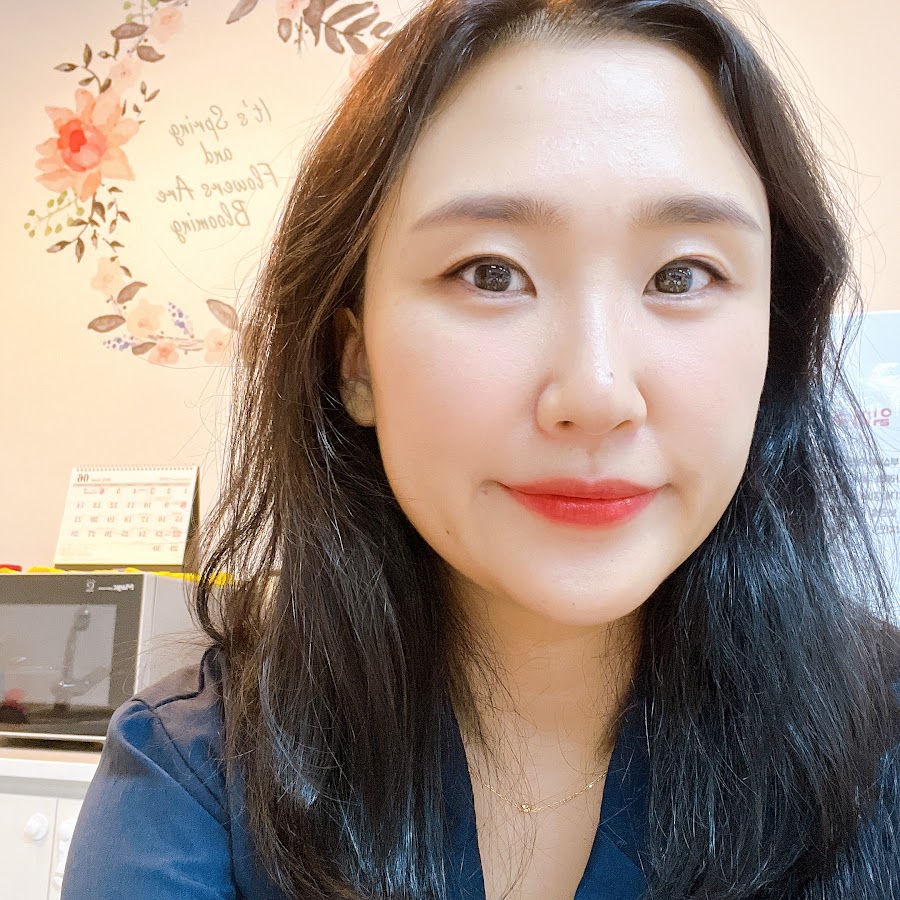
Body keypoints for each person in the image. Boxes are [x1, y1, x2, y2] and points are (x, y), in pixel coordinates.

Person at [62, 0, 900, 898]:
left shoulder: (878, 745)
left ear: (774, 341)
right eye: (490, 273)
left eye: (681, 275)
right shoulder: (194, 781)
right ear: (355, 361)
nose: (596, 394)